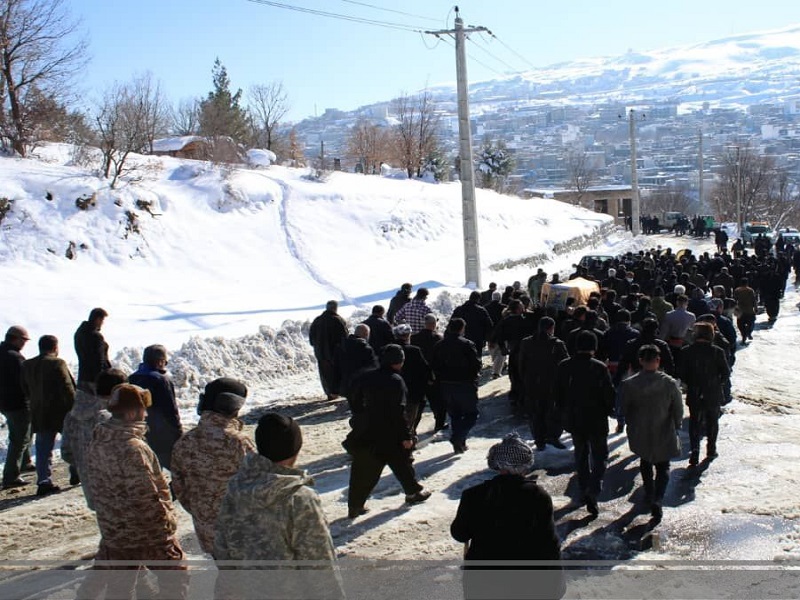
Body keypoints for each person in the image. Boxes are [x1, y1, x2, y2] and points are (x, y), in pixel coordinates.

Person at [214, 413, 342, 599]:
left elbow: (222, 551)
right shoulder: (298, 498)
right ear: (296, 449)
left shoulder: (235, 488)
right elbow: (320, 567)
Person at [85, 384, 187, 600]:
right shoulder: (133, 448)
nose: (146, 414)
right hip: (146, 534)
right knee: (175, 579)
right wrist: (168, 525)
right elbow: (145, 499)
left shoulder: (98, 442)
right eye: (143, 410)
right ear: (132, 413)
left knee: (121, 588)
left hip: (114, 531)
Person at [450, 433, 564, 600]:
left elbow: (459, 534)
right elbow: (549, 543)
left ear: (496, 464)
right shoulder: (538, 496)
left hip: (483, 580)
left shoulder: (473, 495)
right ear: (525, 466)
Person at [171, 378, 255, 556]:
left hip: (208, 534)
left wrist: (204, 514)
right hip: (243, 533)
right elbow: (261, 486)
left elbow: (180, 489)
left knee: (227, 578)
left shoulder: (184, 443)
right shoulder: (238, 442)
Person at [346, 344, 431, 517]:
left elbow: (354, 401)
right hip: (390, 433)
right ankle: (413, 492)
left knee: (362, 470)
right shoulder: (395, 380)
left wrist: (359, 420)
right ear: (399, 362)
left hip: (367, 432)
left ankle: (355, 506)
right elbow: (399, 412)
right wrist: (406, 436)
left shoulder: (365, 377)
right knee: (402, 462)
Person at [620, 345, 683, 520]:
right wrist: (677, 424)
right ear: (658, 360)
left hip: (640, 429)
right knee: (663, 466)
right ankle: (658, 498)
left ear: (641, 361)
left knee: (645, 461)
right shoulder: (669, 383)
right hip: (663, 427)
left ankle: (649, 492)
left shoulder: (630, 384)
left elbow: (624, 408)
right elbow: (678, 408)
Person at [556, 331, 615, 516]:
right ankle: (594, 488)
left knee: (580, 454)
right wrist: (610, 409)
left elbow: (557, 392)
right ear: (594, 347)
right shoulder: (599, 367)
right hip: (596, 418)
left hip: (574, 418)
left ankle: (583, 486)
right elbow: (609, 393)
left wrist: (563, 411)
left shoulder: (564, 366)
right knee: (600, 455)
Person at [62, 368, 127, 509]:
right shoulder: (113, 417)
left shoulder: (71, 416)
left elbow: (66, 453)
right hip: (123, 491)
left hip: (93, 490)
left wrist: (85, 465)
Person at [21, 335, 76, 496]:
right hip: (61, 412)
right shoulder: (57, 363)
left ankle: (43, 480)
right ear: (55, 347)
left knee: (43, 448)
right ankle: (75, 471)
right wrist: (74, 407)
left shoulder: (27, 365)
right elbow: (67, 387)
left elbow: (24, 388)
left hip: (39, 412)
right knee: (71, 444)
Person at [680, 322, 731, 467]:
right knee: (712, 421)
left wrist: (690, 383)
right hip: (712, 392)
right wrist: (717, 383)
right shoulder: (717, 351)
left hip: (694, 391)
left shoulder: (686, 351)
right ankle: (711, 449)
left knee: (694, 422)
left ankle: (694, 451)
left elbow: (681, 373)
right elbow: (726, 373)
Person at [430, 318, 482, 453]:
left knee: (455, 415)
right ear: (462, 329)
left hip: (446, 385)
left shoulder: (439, 345)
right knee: (472, 414)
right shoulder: (467, 344)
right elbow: (476, 364)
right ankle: (458, 437)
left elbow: (434, 365)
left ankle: (459, 444)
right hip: (465, 384)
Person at [129, 344, 182, 471]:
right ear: (160, 361)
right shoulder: (161, 380)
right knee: (176, 468)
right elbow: (171, 410)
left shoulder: (132, 378)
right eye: (165, 362)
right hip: (162, 434)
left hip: (140, 431)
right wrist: (178, 431)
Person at [518, 317, 569, 451]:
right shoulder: (557, 343)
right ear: (551, 328)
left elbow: (521, 364)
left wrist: (525, 380)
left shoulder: (526, 342)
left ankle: (539, 440)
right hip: (552, 384)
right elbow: (565, 364)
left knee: (536, 413)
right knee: (554, 411)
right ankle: (553, 436)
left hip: (532, 383)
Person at [1, 325, 34, 489]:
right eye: (24, 340)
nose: (24, 343)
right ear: (16, 339)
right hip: (18, 402)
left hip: (4, 402)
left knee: (21, 433)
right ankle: (10, 476)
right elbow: (25, 381)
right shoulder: (15, 358)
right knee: (19, 438)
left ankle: (25, 462)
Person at [392, 324, 430, 440]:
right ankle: (409, 437)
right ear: (408, 335)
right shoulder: (414, 350)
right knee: (412, 416)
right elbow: (425, 369)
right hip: (413, 390)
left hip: (393, 389)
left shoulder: (388, 349)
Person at [411, 314, 447, 432]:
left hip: (418, 375)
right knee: (438, 402)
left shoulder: (414, 338)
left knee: (418, 405)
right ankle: (439, 424)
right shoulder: (438, 338)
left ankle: (412, 427)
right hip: (434, 374)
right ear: (434, 324)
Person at [309, 300, 349, 400]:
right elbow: (344, 337)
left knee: (325, 374)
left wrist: (318, 347)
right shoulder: (338, 320)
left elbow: (311, 339)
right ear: (335, 308)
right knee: (336, 373)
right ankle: (336, 392)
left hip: (320, 354)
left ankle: (329, 393)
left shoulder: (317, 320)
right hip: (335, 353)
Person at [333, 323, 378, 410]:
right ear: (365, 335)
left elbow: (336, 369)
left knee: (354, 409)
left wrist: (334, 388)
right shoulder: (365, 348)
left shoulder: (340, 347)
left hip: (347, 385)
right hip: (362, 386)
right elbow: (374, 367)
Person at [73, 308, 111, 391]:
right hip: (95, 380)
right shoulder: (96, 336)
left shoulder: (79, 333)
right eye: (102, 320)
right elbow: (99, 360)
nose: (102, 323)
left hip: (83, 376)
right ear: (98, 319)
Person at [451, 291, 495, 355]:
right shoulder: (481, 310)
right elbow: (489, 325)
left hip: (460, 339)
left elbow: (451, 323)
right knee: (476, 359)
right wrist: (488, 339)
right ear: (478, 299)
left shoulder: (459, 309)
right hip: (477, 340)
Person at [733, 278, 757, 343]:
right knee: (751, 323)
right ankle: (749, 332)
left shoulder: (737, 290)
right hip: (749, 310)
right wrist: (755, 308)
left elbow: (734, 300)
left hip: (740, 310)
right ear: (747, 283)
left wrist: (735, 309)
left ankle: (744, 335)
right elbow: (754, 300)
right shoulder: (750, 290)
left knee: (740, 324)